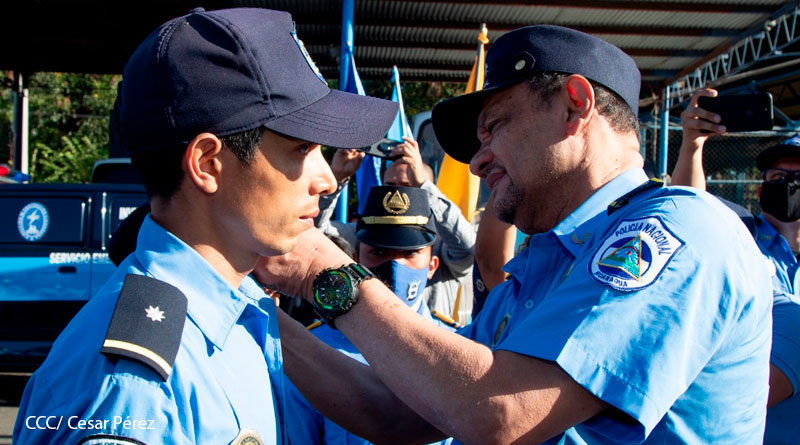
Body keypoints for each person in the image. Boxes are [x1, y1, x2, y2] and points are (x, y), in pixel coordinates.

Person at [255, 25, 772, 444]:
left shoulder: (678, 230)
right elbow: (402, 413)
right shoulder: (541, 265)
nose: (477, 162)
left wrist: (324, 271)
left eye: (495, 126)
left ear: (575, 104)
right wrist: (256, 318)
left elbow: (500, 414)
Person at [13, 7, 397, 444]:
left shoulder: (235, 309)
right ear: (208, 164)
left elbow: (396, 415)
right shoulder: (136, 388)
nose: (327, 179)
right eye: (302, 149)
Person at [674, 88, 800, 444]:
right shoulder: (738, 233)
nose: (789, 186)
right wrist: (692, 146)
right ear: (760, 192)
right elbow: (691, 209)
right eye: (778, 178)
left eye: (799, 180)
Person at [284, 185, 454, 444]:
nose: (395, 265)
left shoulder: (457, 346)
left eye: (409, 253)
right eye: (378, 252)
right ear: (355, 260)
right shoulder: (317, 348)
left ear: (432, 266)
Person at [317, 137, 475, 320]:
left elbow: (468, 246)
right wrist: (337, 177)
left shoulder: (436, 244)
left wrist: (423, 185)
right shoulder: (364, 238)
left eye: (409, 187)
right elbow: (315, 234)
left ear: (432, 265)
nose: (397, 195)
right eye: (379, 252)